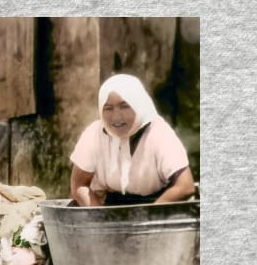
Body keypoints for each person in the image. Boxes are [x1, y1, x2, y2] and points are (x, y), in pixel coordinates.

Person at [70, 73, 195, 207]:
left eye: (125, 106)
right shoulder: (95, 133)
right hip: (111, 207)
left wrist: (146, 218)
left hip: (158, 206)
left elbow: (185, 186)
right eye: (108, 108)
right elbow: (79, 185)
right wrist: (100, 219)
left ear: (138, 105)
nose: (116, 116)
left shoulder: (158, 132)